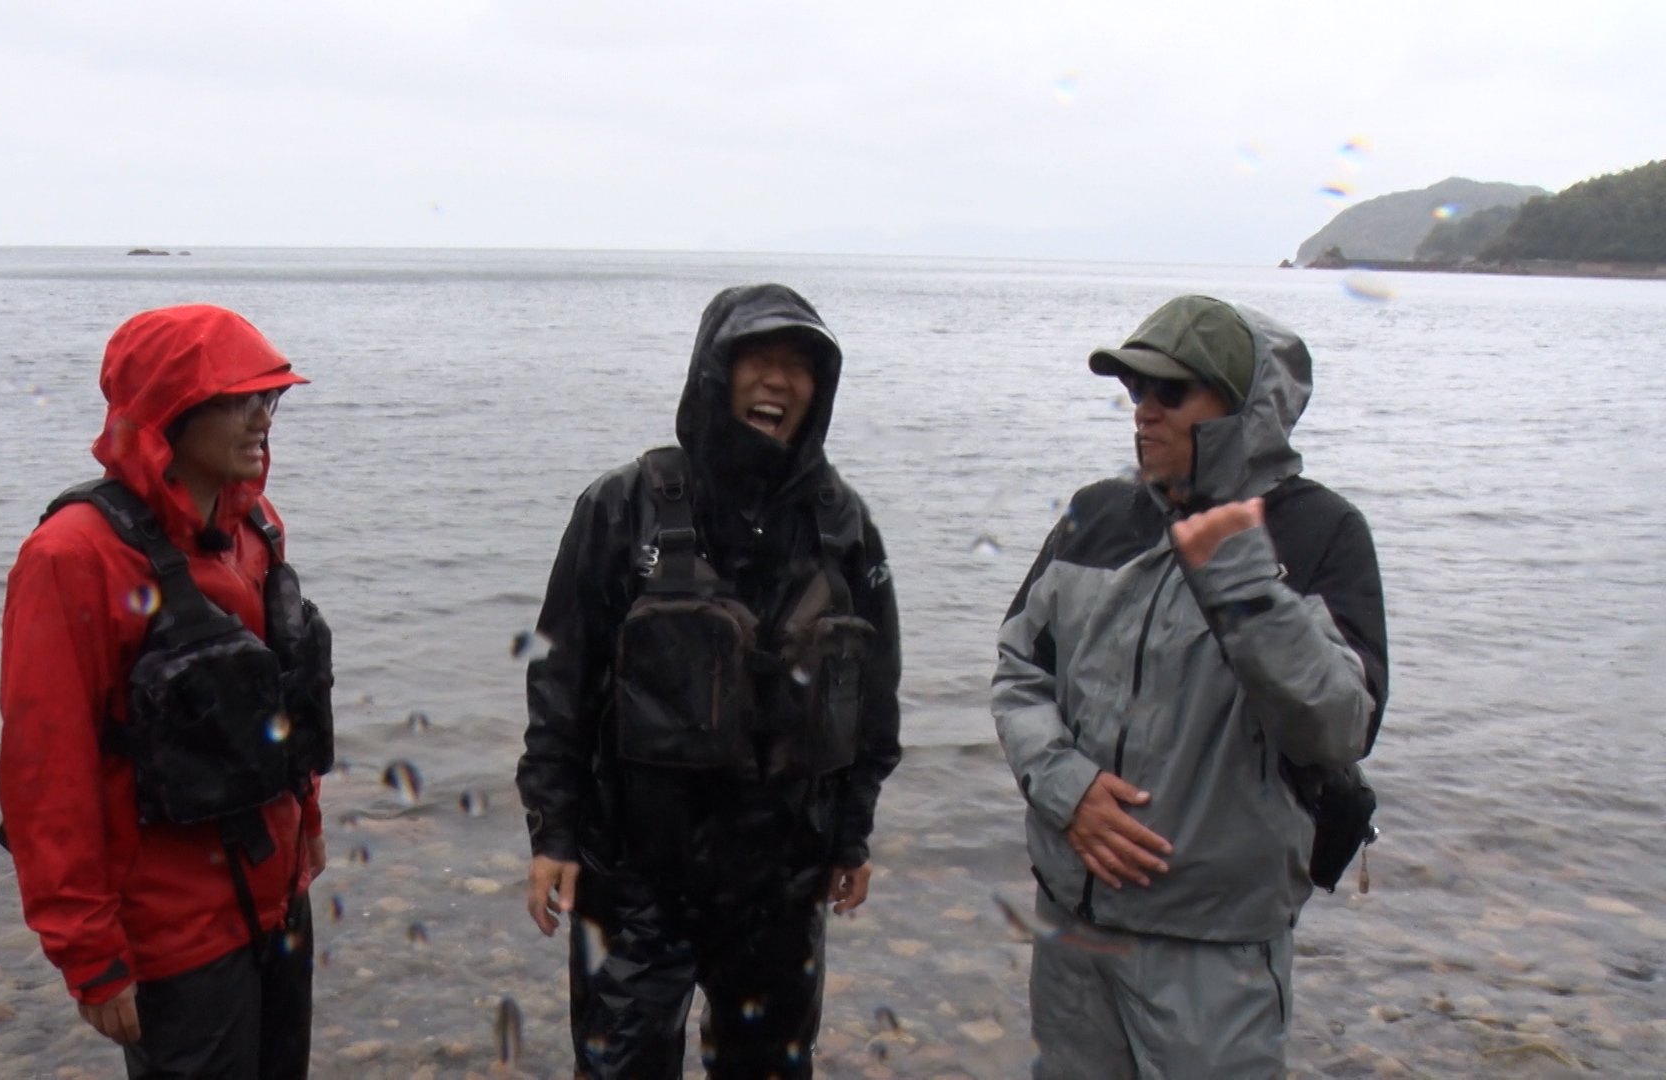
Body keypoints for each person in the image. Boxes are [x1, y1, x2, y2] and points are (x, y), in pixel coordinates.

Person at [992, 295, 1388, 1078]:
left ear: (1242, 410)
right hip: (1071, 925)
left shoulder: (1320, 533)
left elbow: (1340, 726)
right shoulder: (1097, 514)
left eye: (1171, 393)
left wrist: (1242, 582)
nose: (1144, 411)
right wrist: (1066, 788)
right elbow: (1019, 671)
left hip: (1217, 947)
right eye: (1136, 389)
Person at [517, 283, 902, 1078]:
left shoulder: (843, 527)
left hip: (781, 884)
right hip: (635, 879)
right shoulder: (622, 507)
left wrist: (852, 834)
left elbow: (874, 699)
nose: (777, 380)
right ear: (713, 373)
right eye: (756, 358)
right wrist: (552, 831)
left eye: (798, 365)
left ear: (820, 387)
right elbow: (561, 681)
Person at [0, 304, 335, 1079]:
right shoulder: (73, 556)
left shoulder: (255, 528)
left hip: (279, 898)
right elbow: (46, 772)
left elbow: (281, 702)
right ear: (166, 412)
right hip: (174, 935)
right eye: (239, 400)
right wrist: (88, 952)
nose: (263, 419)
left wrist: (309, 820)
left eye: (269, 397)